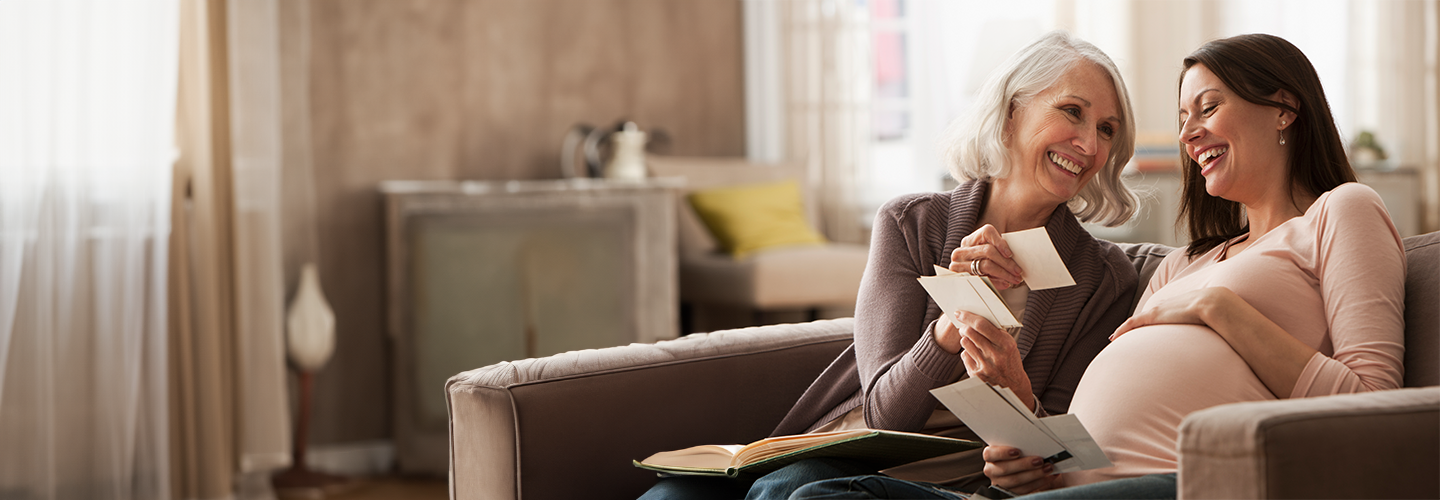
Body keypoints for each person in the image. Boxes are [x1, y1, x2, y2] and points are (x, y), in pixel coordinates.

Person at [789, 33, 1406, 500]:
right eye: (1184, 117)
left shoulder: (1340, 212)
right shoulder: (1181, 268)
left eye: (1208, 107)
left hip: (1173, 480)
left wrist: (1220, 309)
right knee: (819, 493)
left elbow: (1377, 409)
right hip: (1066, 485)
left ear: (1283, 109)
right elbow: (1074, 436)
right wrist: (1028, 453)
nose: (1189, 134)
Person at [638, 30, 1148, 500]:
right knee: (668, 497)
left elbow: (1057, 454)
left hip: (946, 485)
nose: (1089, 144)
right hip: (846, 452)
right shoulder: (911, 223)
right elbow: (885, 411)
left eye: (1106, 129)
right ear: (1013, 114)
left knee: (792, 490)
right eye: (1072, 112)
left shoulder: (1104, 279)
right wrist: (951, 325)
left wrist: (1022, 411)